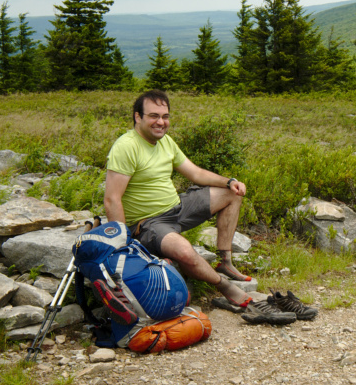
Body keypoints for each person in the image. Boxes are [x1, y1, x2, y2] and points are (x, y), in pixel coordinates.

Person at [103, 89, 253, 309]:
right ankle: (223, 286)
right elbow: (112, 199)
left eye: (165, 116)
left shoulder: (166, 142)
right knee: (184, 251)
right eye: (153, 116)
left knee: (232, 194)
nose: (161, 122)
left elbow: (195, 173)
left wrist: (229, 181)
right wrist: (124, 246)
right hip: (149, 224)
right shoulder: (126, 147)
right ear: (138, 117)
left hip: (177, 208)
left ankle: (226, 263)